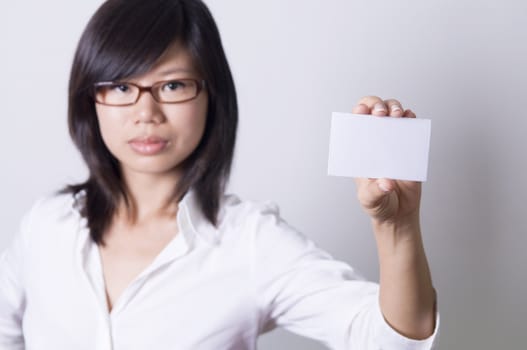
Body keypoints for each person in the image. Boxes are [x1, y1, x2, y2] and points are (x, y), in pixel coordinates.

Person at [0, 0, 439, 349]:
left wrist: (395, 228)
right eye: (120, 87)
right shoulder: (46, 227)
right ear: (89, 97)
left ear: (212, 94)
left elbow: (391, 342)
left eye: (172, 85)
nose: (146, 112)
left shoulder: (250, 244)